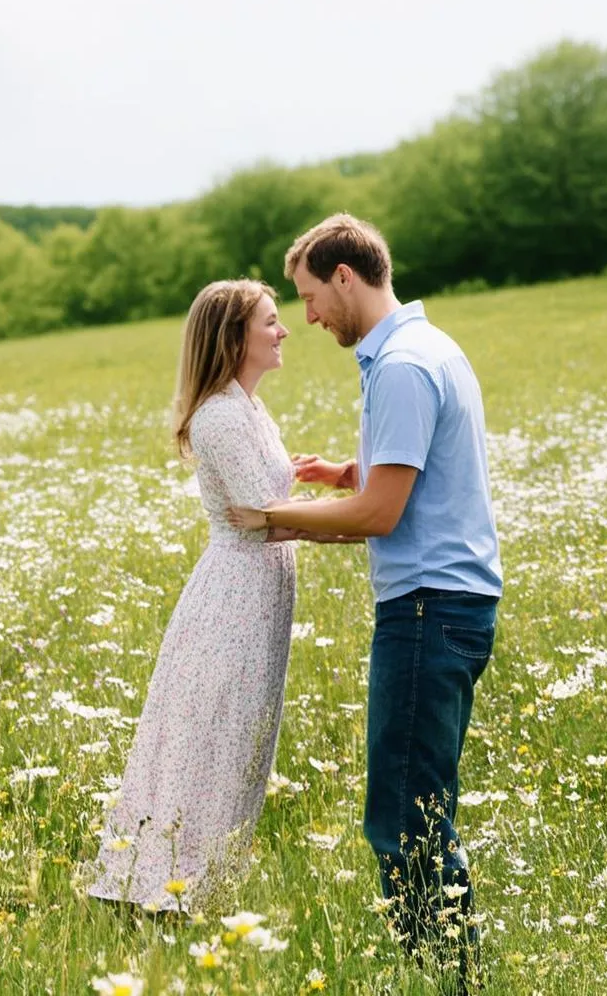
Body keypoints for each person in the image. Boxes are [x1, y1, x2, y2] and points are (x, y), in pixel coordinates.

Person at [228, 215, 502, 989]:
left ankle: (446, 977)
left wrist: (273, 519)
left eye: (312, 297)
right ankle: (447, 971)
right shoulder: (423, 348)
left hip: (427, 609)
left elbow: (383, 517)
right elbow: (413, 473)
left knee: (405, 819)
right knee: (418, 806)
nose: (308, 317)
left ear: (345, 278)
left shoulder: (406, 364)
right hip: (447, 605)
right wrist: (348, 471)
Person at [88, 278, 346, 914]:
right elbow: (264, 517)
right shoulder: (222, 416)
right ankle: (167, 891)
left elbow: (271, 501)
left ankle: (200, 888)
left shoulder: (250, 408)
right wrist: (362, 524)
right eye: (270, 322)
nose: (284, 330)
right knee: (211, 739)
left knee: (237, 740)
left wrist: (314, 481)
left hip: (257, 591)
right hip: (233, 596)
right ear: (234, 338)